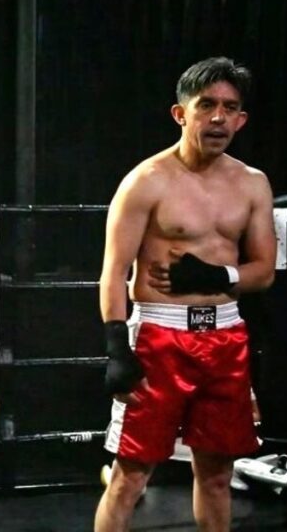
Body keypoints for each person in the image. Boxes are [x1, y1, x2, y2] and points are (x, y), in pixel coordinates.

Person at [95, 57, 276, 532]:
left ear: (242, 119)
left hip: (226, 337)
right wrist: (117, 344)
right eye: (207, 105)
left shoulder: (253, 184)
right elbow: (113, 273)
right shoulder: (146, 181)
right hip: (160, 336)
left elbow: (264, 271)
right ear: (182, 114)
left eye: (230, 108)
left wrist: (219, 277)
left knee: (217, 474)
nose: (218, 118)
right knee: (131, 476)